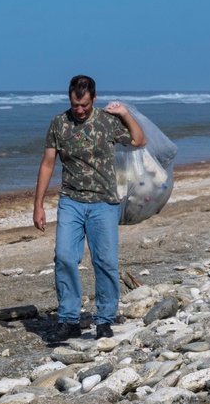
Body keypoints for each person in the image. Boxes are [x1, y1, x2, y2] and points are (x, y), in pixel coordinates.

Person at [33, 75, 146, 341]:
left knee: (105, 262)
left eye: (84, 104)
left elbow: (139, 141)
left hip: (104, 202)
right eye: (75, 104)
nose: (80, 110)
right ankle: (69, 318)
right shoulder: (59, 123)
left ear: (94, 99)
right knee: (64, 257)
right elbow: (48, 164)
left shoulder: (107, 122)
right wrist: (38, 205)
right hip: (70, 201)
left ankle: (105, 319)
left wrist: (125, 114)